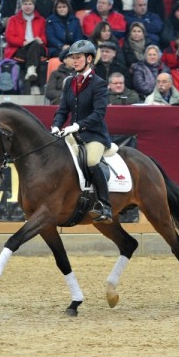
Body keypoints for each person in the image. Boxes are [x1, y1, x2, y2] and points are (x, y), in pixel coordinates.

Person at [51, 39, 113, 224]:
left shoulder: (99, 84)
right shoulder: (69, 82)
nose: (74, 61)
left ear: (88, 59)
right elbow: (63, 110)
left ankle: (105, 205)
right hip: (72, 134)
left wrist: (77, 126)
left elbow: (99, 113)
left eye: (78, 58)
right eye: (72, 58)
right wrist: (55, 125)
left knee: (91, 161)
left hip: (94, 135)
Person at [4, 0, 48, 96]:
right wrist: (23, 42)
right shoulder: (13, 19)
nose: (27, 6)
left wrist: (41, 40)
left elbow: (45, 37)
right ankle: (34, 85)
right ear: (21, 5)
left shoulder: (41, 20)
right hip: (20, 49)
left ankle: (31, 70)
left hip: (37, 48)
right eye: (25, 4)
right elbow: (9, 37)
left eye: (30, 4)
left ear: (34, 5)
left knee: (35, 45)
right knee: (33, 49)